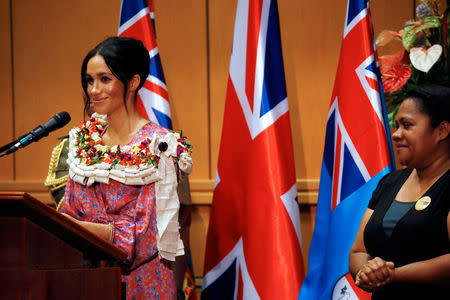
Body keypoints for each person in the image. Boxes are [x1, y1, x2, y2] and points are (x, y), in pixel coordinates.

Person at [59, 37, 193, 299]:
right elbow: (67, 212)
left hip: (143, 285)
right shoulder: (81, 143)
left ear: (132, 82)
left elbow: (146, 235)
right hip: (88, 284)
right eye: (89, 80)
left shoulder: (161, 147)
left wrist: (79, 227)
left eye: (104, 79)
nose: (94, 90)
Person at [349, 85, 450, 299]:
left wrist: (392, 275)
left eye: (407, 125)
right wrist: (367, 272)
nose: (396, 134)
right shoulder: (389, 182)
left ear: (441, 131)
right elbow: (358, 251)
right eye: (396, 126)